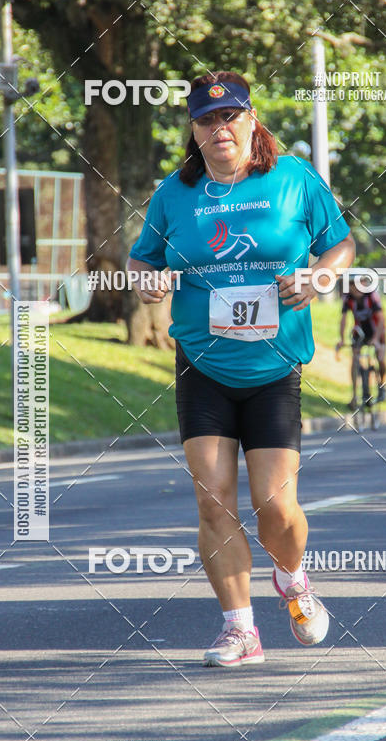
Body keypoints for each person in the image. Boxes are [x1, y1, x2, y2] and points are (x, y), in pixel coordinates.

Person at [127, 71, 355, 666]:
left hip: (273, 366)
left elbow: (341, 243)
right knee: (213, 500)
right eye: (206, 119)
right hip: (201, 364)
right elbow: (140, 257)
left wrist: (319, 276)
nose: (219, 128)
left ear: (252, 120)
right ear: (194, 130)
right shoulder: (175, 192)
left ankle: (293, 577)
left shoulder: (294, 179)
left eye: (229, 116)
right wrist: (146, 278)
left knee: (275, 507)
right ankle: (240, 629)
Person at [336, 274, 386, 408]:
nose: (355, 287)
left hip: (377, 330)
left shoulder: (371, 295)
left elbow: (381, 319)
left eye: (359, 283)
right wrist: (341, 339)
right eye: (352, 284)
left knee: (380, 358)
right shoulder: (348, 298)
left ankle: (382, 385)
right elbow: (343, 319)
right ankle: (354, 396)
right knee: (355, 359)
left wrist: (376, 339)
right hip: (359, 332)